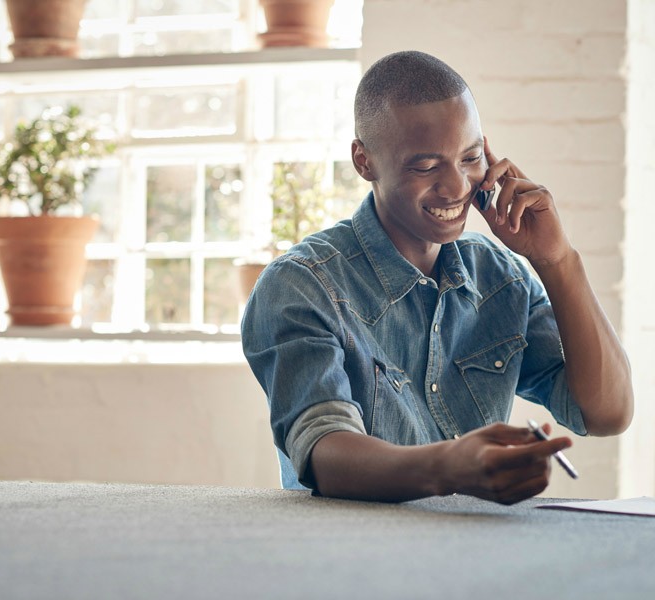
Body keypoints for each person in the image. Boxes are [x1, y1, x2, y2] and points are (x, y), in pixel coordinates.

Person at [241, 50, 634, 505]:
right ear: (363, 161)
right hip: (353, 561)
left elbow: (607, 414)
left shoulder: (500, 277)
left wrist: (558, 260)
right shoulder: (301, 286)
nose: (457, 187)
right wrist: (450, 467)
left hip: (473, 555)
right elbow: (324, 451)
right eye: (426, 167)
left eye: (470, 158)